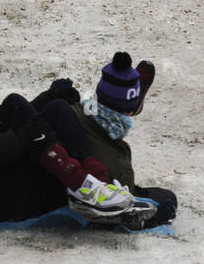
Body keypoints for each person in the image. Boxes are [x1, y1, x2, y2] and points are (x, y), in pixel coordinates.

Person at [0, 33, 135, 224]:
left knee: (57, 108)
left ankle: (97, 182)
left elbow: (7, 118)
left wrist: (47, 97)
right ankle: (80, 184)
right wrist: (23, 136)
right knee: (14, 101)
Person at [34, 54, 175, 229]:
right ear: (129, 112)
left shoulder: (70, 109)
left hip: (62, 149)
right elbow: (123, 199)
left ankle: (119, 96)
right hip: (84, 186)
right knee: (166, 200)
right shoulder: (115, 165)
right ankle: (130, 100)